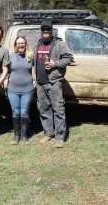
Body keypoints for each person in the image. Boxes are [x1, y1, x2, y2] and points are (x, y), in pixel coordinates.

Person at [34, 20, 73, 148]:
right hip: (40, 82)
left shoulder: (58, 43)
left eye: (48, 29)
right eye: (43, 29)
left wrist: (55, 64)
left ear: (51, 30)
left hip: (54, 82)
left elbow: (69, 58)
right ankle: (48, 133)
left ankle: (60, 137)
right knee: (44, 109)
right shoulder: (38, 43)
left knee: (58, 109)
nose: (45, 31)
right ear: (41, 30)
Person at [7, 36, 34, 145]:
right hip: (13, 90)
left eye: (22, 43)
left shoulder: (31, 56)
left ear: (25, 44)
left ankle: (24, 135)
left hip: (27, 90)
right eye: (18, 43)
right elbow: (4, 70)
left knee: (24, 112)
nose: (21, 45)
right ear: (16, 45)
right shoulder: (11, 56)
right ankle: (16, 135)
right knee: (16, 112)